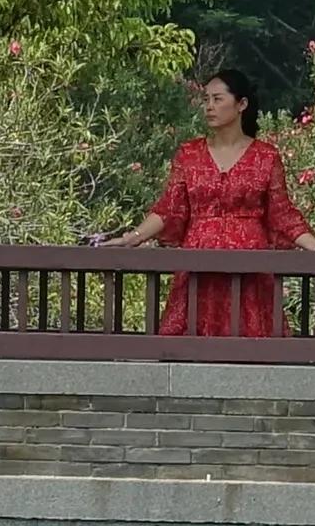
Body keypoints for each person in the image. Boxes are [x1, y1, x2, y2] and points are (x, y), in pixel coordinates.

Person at [121, 60, 303, 340]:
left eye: (218, 99)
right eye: (206, 99)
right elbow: (170, 208)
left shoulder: (265, 156)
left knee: (253, 343)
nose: (209, 106)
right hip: (198, 258)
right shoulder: (189, 153)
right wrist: (132, 237)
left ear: (241, 104)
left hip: (249, 263)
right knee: (187, 343)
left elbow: (282, 214)